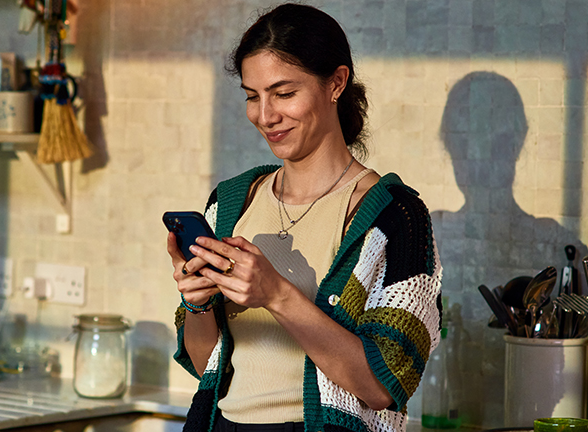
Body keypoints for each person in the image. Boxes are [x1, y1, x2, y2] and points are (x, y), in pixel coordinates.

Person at [166, 4, 442, 432]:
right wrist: (197, 302)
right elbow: (208, 365)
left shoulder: (395, 216)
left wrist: (277, 294)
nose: (265, 115)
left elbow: (383, 384)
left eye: (284, 93)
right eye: (252, 96)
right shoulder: (231, 203)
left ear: (336, 83)